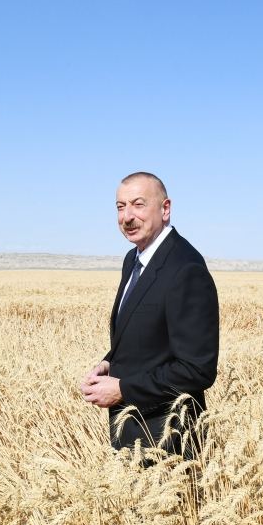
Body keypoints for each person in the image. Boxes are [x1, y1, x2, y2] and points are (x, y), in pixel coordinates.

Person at [80, 172, 219, 458]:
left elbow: (196, 369)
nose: (127, 216)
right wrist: (110, 362)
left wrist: (123, 389)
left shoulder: (185, 268)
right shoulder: (134, 259)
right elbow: (145, 331)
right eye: (120, 207)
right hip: (132, 434)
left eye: (138, 204)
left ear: (165, 208)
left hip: (168, 443)